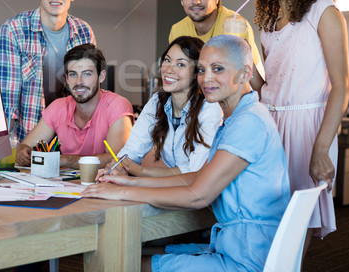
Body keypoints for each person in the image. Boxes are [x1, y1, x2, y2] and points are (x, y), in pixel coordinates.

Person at [84, 35, 290, 272]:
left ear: (245, 73)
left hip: (246, 258)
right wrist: (129, 180)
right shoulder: (237, 117)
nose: (207, 78)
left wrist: (123, 191)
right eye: (202, 69)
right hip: (234, 245)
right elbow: (200, 176)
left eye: (218, 69)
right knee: (119, 251)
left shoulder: (248, 122)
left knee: (116, 263)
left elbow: (198, 195)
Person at [252, 0, 349, 241]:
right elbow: (269, 87)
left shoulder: (324, 12)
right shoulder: (269, 22)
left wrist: (321, 147)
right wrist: (244, 61)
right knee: (268, 217)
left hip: (308, 127)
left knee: (295, 226)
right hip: (270, 124)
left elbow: (342, 86)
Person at [0, 0, 96, 142]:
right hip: (28, 136)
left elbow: (89, 92)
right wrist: (2, 149)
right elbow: (7, 99)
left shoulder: (83, 31)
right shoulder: (14, 29)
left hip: (70, 138)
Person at [101, 36, 223, 178]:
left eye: (181, 64)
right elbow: (132, 150)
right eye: (167, 60)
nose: (169, 69)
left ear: (198, 72)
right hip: (173, 188)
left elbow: (195, 170)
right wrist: (118, 166)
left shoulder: (209, 108)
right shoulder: (157, 102)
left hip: (201, 193)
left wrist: (142, 171)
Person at [16, 44, 133, 169]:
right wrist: (23, 153)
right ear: (66, 78)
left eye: (86, 74)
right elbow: (25, 146)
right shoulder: (58, 107)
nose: (79, 82)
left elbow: (116, 158)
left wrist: (66, 160)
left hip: (104, 186)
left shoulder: (117, 106)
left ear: (101, 76)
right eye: (73, 74)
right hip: (64, 186)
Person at [168, 0, 265, 78]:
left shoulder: (235, 24)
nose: (196, 1)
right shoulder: (177, 30)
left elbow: (253, 79)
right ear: (182, 0)